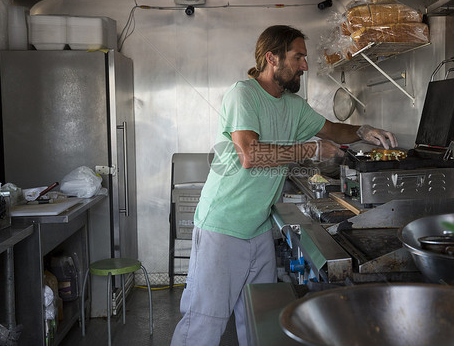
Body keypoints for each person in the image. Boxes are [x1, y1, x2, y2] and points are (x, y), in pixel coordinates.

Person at [170, 25, 397, 346]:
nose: (305, 65)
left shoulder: (293, 105)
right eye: (299, 56)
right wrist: (310, 150)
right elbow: (250, 154)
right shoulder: (243, 94)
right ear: (271, 58)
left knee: (259, 320)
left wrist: (364, 131)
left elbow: (332, 129)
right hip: (222, 228)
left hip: (259, 229)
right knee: (203, 324)